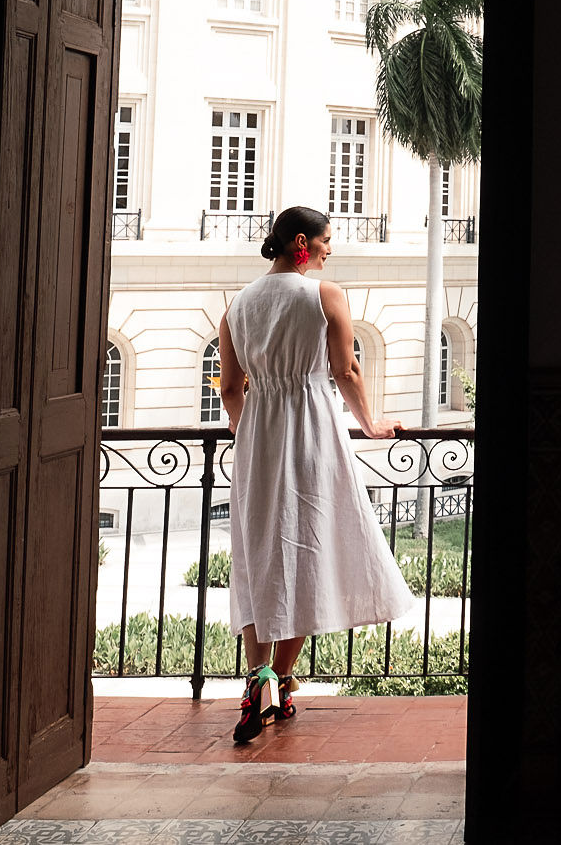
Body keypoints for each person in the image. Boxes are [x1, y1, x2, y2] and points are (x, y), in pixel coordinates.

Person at [213, 205, 418, 744]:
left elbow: (231, 388)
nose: (331, 249)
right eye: (327, 241)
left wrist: (248, 431)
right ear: (302, 243)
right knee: (306, 547)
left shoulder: (237, 307)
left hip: (257, 438)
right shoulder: (325, 296)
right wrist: (371, 423)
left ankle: (257, 679)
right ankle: (280, 679)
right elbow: (345, 369)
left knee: (259, 556)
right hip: (310, 432)